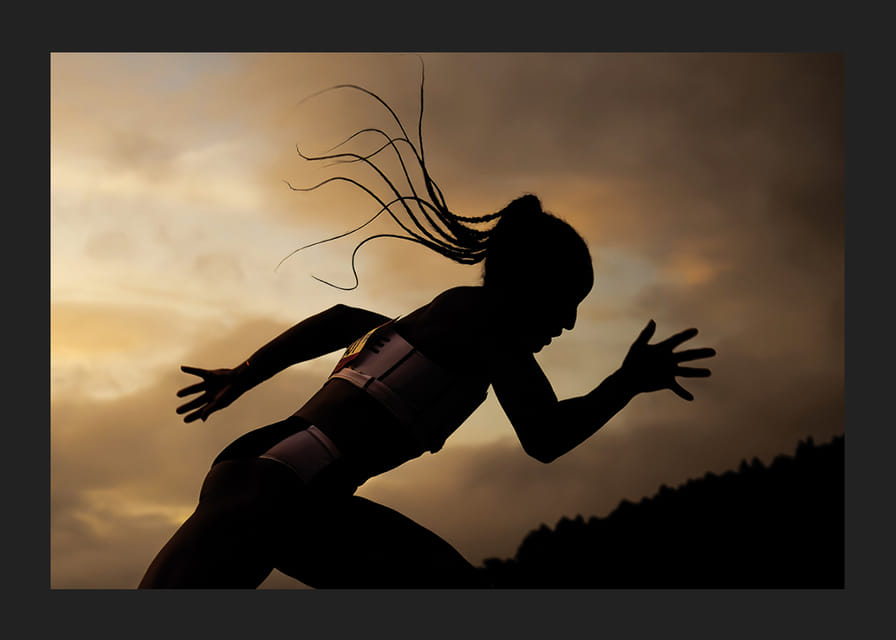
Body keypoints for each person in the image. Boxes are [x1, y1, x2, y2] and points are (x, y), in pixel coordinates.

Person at [138, 82, 716, 589]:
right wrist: (626, 381)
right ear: (529, 287)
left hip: (271, 477)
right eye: (565, 305)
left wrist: (244, 374)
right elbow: (545, 437)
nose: (566, 325)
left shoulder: (439, 320)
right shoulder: (488, 321)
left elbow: (339, 320)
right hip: (284, 488)